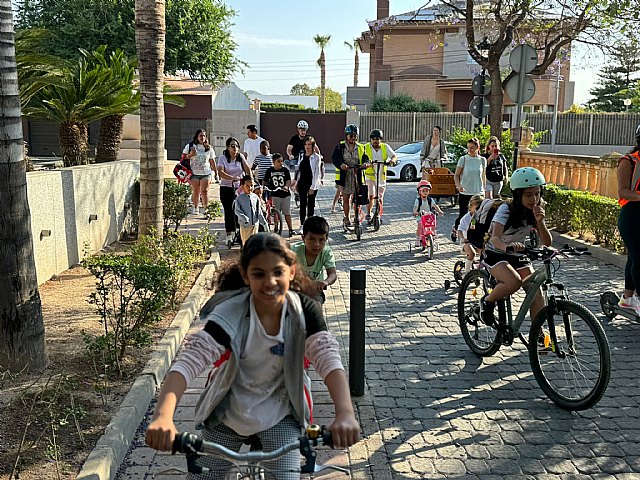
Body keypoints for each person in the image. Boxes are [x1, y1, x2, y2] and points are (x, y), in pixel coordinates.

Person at [144, 233, 361, 480]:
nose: (270, 282)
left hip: (281, 413)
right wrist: (163, 415)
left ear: (291, 271)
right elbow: (189, 361)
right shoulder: (231, 311)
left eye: (277, 272)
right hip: (228, 413)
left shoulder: (303, 312)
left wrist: (345, 413)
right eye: (259, 274)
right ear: (246, 276)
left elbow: (328, 359)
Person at [480, 167, 552, 327]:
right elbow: (495, 238)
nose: (534, 199)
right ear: (518, 195)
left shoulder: (537, 209)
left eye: (537, 193)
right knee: (514, 282)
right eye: (528, 195)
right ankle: (488, 301)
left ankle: (536, 334)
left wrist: (540, 221)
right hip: (496, 253)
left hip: (518, 255)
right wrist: (508, 247)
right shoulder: (506, 209)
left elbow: (547, 242)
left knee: (536, 292)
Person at [616, 124, 640, 315]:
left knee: (634, 257)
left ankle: (627, 298)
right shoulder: (629, 161)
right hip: (632, 216)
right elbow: (623, 191)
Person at [291, 216, 337, 304]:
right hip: (296, 290)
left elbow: (332, 274)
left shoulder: (326, 252)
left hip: (315, 291)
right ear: (303, 238)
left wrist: (325, 282)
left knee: (316, 305)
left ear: (326, 239)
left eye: (321, 240)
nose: (316, 244)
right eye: (311, 239)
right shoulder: (294, 251)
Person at [332, 124, 370, 227]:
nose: (353, 138)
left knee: (357, 198)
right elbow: (335, 159)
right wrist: (341, 165)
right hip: (345, 176)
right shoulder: (340, 146)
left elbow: (366, 158)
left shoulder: (361, 147)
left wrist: (366, 163)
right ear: (346, 136)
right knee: (346, 198)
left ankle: (356, 216)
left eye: (355, 136)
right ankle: (347, 218)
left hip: (357, 174)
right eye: (351, 136)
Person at [218, 137, 252, 246]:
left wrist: (251, 182)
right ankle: (229, 234)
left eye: (237, 146)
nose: (235, 148)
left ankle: (239, 232)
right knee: (229, 210)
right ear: (228, 147)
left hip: (239, 188)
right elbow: (220, 172)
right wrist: (231, 178)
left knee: (240, 211)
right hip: (226, 187)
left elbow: (247, 170)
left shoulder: (240, 157)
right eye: (232, 146)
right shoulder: (223, 158)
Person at [453, 137, 486, 241]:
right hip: (465, 192)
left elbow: (483, 177)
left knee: (477, 216)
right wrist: (459, 186)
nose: (470, 150)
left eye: (472, 147)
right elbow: (456, 175)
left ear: (478, 147)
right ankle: (456, 230)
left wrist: (484, 190)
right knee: (463, 215)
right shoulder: (464, 159)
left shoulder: (482, 160)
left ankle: (472, 236)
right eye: (468, 148)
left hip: (478, 193)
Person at [363, 129, 397, 224]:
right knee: (371, 196)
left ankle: (378, 214)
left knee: (380, 198)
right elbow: (361, 156)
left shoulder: (385, 147)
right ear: (371, 139)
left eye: (377, 139)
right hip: (369, 177)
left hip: (381, 177)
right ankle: (369, 213)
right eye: (373, 139)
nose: (375, 141)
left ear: (380, 140)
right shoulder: (366, 147)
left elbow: (394, 156)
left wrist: (392, 161)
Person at [183, 129, 216, 215]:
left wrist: (216, 173)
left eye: (204, 136)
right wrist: (191, 155)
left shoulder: (209, 148)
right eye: (200, 136)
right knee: (196, 191)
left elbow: (212, 161)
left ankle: (205, 209)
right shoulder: (190, 146)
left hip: (206, 172)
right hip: (194, 173)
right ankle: (195, 207)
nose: (202, 137)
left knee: (204, 191)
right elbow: (183, 157)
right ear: (197, 137)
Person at [263, 153, 296, 237]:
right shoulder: (269, 171)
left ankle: (291, 229)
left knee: (287, 212)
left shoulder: (285, 170)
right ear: (274, 162)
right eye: (278, 161)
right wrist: (265, 187)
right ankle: (276, 226)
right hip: (275, 194)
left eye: (282, 161)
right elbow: (265, 181)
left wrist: (286, 186)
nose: (281, 163)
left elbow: (288, 180)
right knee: (276, 213)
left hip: (285, 194)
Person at [296, 136, 323, 227]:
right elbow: (299, 169)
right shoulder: (301, 155)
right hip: (302, 182)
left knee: (311, 204)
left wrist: (312, 187)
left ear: (313, 146)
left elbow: (317, 173)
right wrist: (296, 181)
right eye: (306, 144)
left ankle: (310, 225)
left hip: (312, 183)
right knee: (302, 204)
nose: (307, 146)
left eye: (310, 145)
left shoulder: (316, 157)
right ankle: (302, 224)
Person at [234, 175, 267, 244]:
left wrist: (263, 222)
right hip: (245, 226)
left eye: (252, 185)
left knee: (255, 244)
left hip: (255, 225)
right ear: (242, 187)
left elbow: (259, 211)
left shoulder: (255, 197)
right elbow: (237, 211)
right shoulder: (239, 199)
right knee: (246, 243)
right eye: (247, 186)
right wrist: (244, 218)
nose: (250, 188)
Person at [457, 194, 485, 274]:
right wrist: (463, 238)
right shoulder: (466, 218)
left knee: (487, 251)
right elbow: (460, 230)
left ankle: (483, 269)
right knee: (472, 253)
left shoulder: (482, 217)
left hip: (478, 242)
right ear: (471, 206)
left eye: (480, 208)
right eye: (477, 208)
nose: (478, 210)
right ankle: (466, 273)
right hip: (467, 242)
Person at [412, 180, 444, 247]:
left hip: (428, 215)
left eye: (427, 191)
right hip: (420, 215)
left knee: (433, 224)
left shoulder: (430, 200)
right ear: (419, 192)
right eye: (423, 191)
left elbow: (435, 206)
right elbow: (415, 207)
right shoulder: (418, 200)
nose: (425, 193)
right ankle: (418, 238)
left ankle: (432, 234)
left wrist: (439, 211)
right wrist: (415, 212)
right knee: (420, 225)